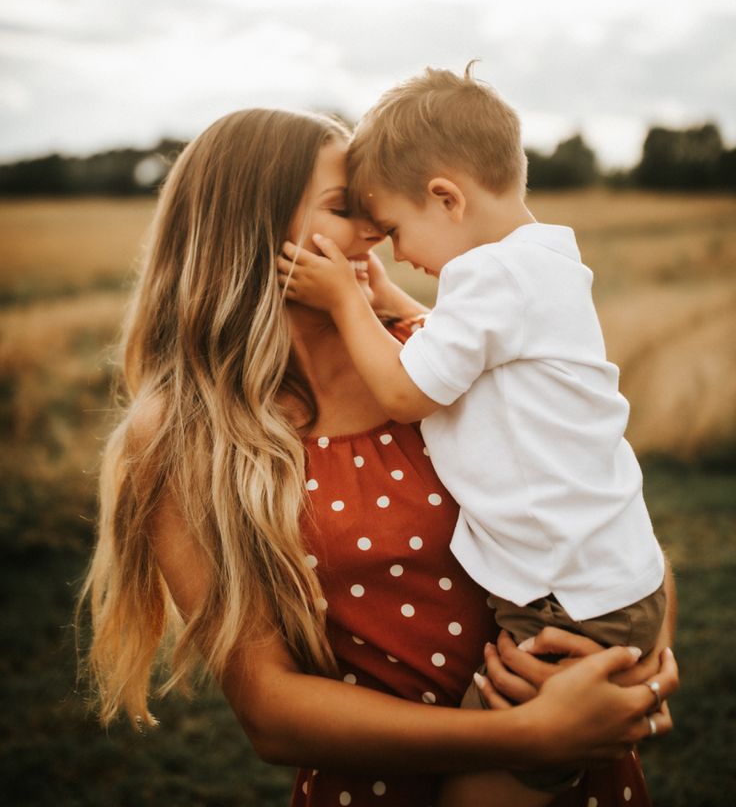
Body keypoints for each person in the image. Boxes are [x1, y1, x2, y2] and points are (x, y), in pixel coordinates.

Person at [81, 107, 677, 807]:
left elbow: (602, 506)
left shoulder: (439, 354)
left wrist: (638, 667)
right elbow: (269, 711)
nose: (377, 233)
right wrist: (527, 737)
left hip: (576, 758)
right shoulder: (184, 432)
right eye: (346, 208)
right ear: (252, 230)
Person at [279, 69, 671, 806]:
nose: (389, 250)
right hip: (607, 579)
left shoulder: (491, 280)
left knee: (481, 789)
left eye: (394, 229)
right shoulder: (540, 265)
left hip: (561, 605)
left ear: (447, 198)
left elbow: (405, 389)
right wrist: (386, 302)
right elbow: (454, 337)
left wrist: (341, 299)